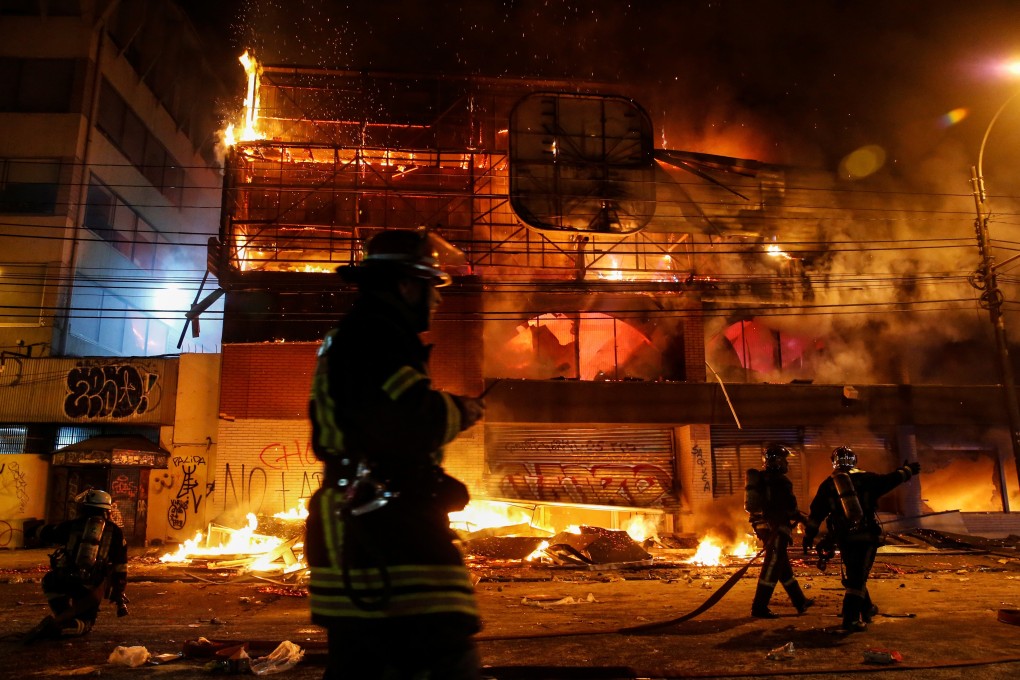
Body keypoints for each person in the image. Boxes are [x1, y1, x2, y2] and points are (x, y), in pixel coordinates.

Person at [306, 228, 485, 679]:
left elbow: (376, 420)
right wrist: (459, 410)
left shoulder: (355, 335)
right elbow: (406, 421)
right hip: (387, 530)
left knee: (364, 663)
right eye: (432, 287)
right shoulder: (380, 335)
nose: (438, 301)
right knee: (442, 650)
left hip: (357, 521)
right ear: (406, 285)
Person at [802, 446, 921, 633]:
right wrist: (907, 471)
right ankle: (850, 620)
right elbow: (890, 480)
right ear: (854, 460)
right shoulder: (867, 478)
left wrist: (808, 537)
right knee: (857, 578)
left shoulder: (827, 485)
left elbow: (816, 514)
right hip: (865, 537)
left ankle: (867, 609)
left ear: (834, 462)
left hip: (844, 539)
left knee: (855, 573)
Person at [25, 489, 129, 642]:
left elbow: (50, 532)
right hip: (92, 586)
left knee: (50, 581)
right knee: (86, 623)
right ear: (107, 510)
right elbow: (121, 566)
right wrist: (118, 590)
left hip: (65, 578)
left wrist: (33, 530)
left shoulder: (74, 525)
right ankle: (65, 626)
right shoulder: (116, 533)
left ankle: (62, 614)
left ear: (86, 507)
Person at [744, 444, 814, 618]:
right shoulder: (782, 481)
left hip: (763, 528)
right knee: (772, 567)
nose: (786, 464)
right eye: (784, 460)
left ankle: (800, 601)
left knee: (782, 566)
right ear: (778, 461)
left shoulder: (761, 478)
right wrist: (804, 519)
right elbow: (790, 509)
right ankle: (759, 607)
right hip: (777, 529)